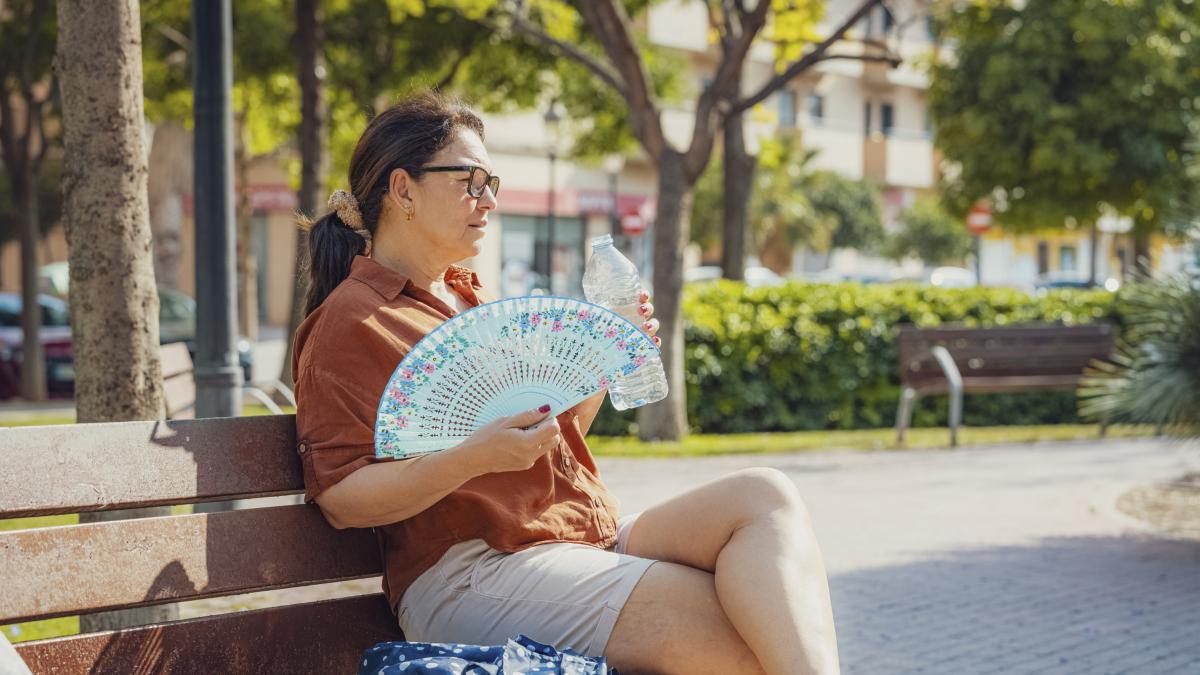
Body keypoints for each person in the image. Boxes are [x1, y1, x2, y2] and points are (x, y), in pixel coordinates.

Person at [292, 92, 841, 675]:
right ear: (403, 190)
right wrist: (470, 459)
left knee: (764, 495)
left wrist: (603, 358)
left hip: (567, 540)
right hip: (470, 574)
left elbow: (550, 437)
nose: (491, 200)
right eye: (471, 181)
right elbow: (341, 500)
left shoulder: (467, 297)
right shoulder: (351, 320)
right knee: (748, 630)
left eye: (492, 181)